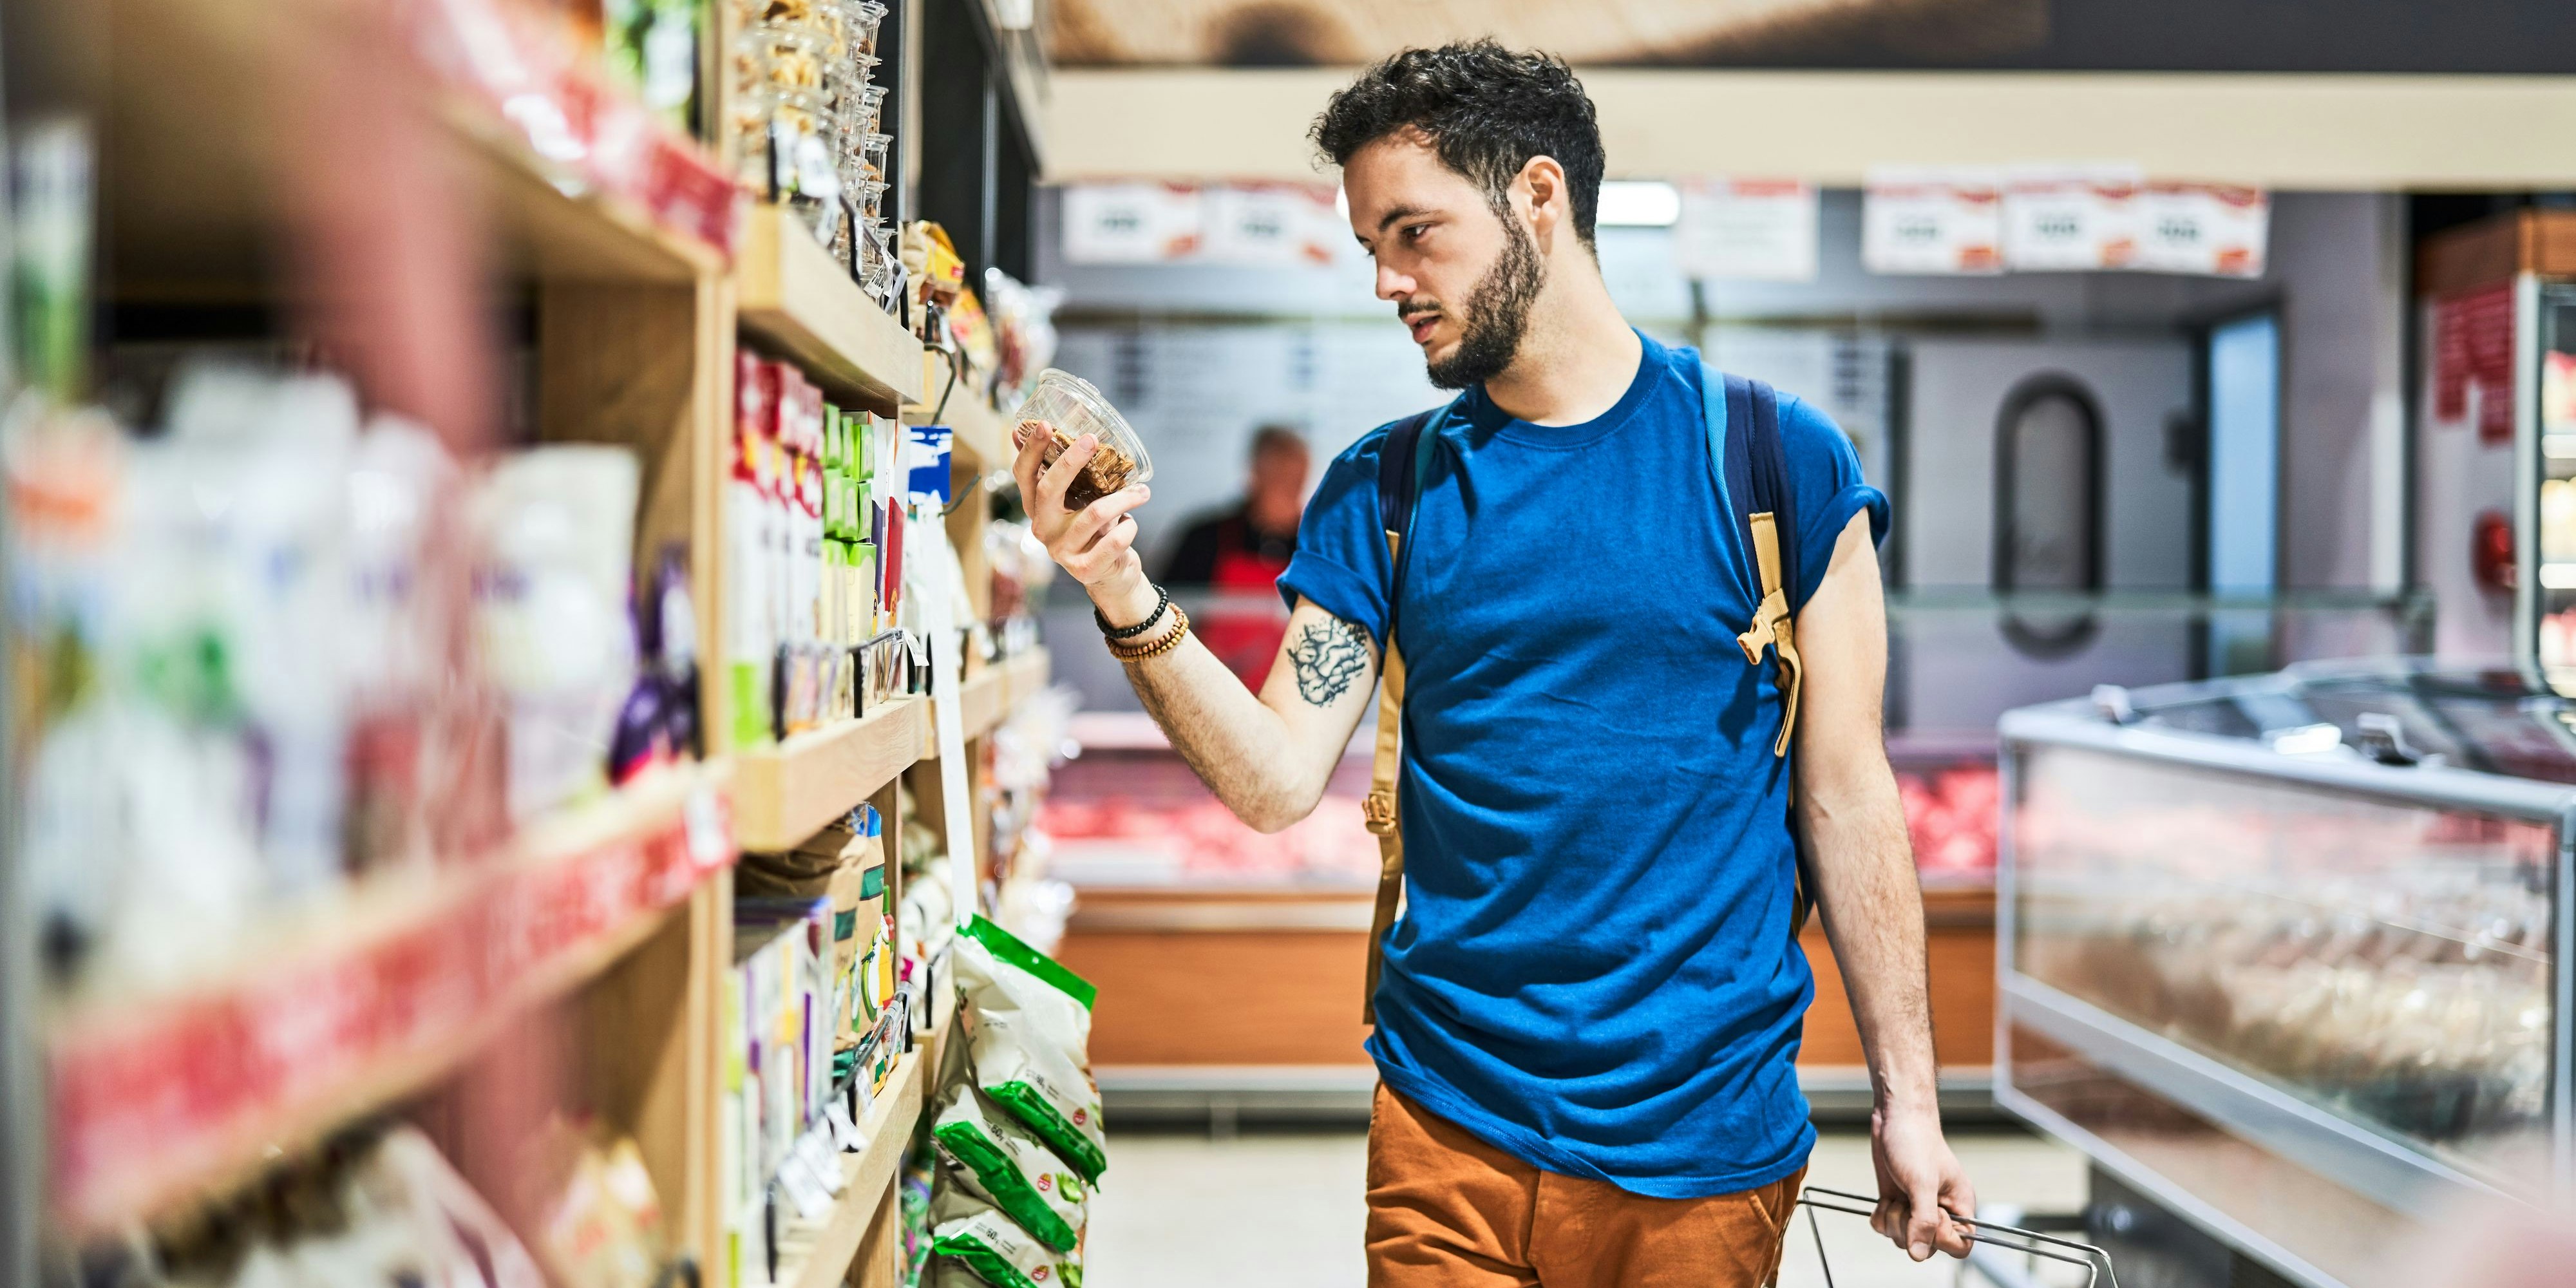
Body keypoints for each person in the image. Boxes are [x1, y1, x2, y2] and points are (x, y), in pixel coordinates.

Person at [1012, 41, 1975, 1287]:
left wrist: (1911, 1099)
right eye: (1369, 244)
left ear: (1535, 195)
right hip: (1444, 1120)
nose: (1384, 280)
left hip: (1704, 1140)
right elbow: (1270, 779)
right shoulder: (1386, 485)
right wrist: (1117, 587)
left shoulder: (1773, 463)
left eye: (1412, 233)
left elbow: (1846, 796)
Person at [1160, 424, 1312, 591]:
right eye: (1280, 479)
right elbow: (1170, 604)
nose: (1288, 493)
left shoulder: (1315, 548)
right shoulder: (1205, 539)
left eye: (1296, 482)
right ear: (1255, 475)